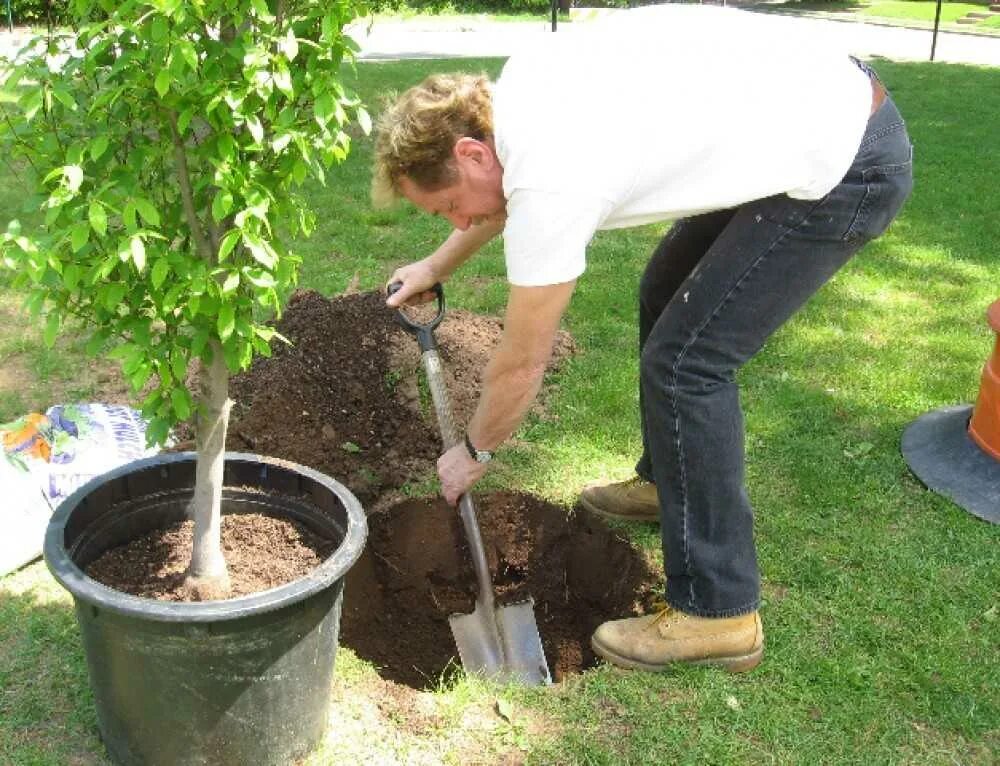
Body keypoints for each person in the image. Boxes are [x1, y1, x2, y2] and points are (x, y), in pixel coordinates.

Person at [375, 5, 912, 672]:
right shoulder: (512, 104)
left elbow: (521, 361)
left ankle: (719, 613)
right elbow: (498, 194)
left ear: (470, 151)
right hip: (804, 124)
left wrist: (476, 447)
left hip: (842, 164)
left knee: (688, 363)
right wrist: (436, 265)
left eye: (448, 206)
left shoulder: (549, 169)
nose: (460, 219)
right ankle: (671, 484)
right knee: (665, 290)